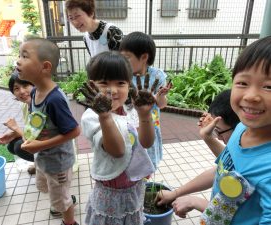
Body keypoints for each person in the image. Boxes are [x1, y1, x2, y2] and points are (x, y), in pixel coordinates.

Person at [159, 36, 271, 224]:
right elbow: (224, 171)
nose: (251, 96)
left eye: (269, 86)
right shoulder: (242, 129)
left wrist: (199, 203)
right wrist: (177, 193)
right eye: (243, 83)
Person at [80, 51, 156, 225]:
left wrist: (145, 115)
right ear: (93, 85)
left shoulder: (129, 110)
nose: (112, 90)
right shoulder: (91, 117)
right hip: (110, 190)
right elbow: (118, 151)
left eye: (120, 83)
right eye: (104, 83)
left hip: (133, 185)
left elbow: (146, 142)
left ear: (129, 85)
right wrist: (105, 116)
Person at [16, 37, 81, 225]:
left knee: (61, 198)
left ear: (45, 67)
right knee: (53, 191)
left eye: (25, 56)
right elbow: (38, 122)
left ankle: (69, 221)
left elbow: (75, 131)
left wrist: (40, 144)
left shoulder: (55, 100)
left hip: (58, 162)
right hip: (43, 158)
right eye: (19, 55)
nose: (18, 61)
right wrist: (19, 134)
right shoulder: (35, 91)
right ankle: (62, 199)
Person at [156, 89, 240, 218]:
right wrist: (176, 193)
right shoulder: (242, 147)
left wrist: (196, 202)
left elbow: (244, 218)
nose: (218, 137)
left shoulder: (262, 164)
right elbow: (223, 169)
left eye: (218, 130)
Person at [119, 31, 172, 169]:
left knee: (147, 162)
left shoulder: (157, 76)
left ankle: (145, 182)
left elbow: (161, 105)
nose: (123, 62)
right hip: (129, 126)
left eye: (127, 58)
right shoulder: (123, 76)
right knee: (131, 160)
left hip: (149, 124)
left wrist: (159, 97)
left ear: (144, 57)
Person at [0, 72, 36, 174]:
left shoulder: (40, 106)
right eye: (16, 88)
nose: (22, 91)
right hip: (40, 141)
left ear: (34, 85)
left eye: (25, 85)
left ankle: (45, 165)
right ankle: (39, 162)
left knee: (19, 147)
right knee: (12, 145)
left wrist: (15, 128)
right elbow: (31, 131)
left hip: (55, 150)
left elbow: (37, 137)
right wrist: (13, 134)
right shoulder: (25, 105)